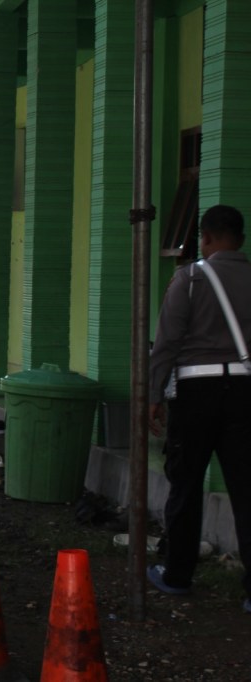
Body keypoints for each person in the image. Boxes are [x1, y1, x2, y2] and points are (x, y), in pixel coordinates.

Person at [148, 204, 251, 614]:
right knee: (246, 489)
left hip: (196, 394)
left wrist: (153, 395)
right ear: (240, 239)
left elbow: (167, 343)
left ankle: (177, 574)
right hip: (245, 391)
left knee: (186, 484)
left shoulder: (189, 279)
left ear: (205, 238)